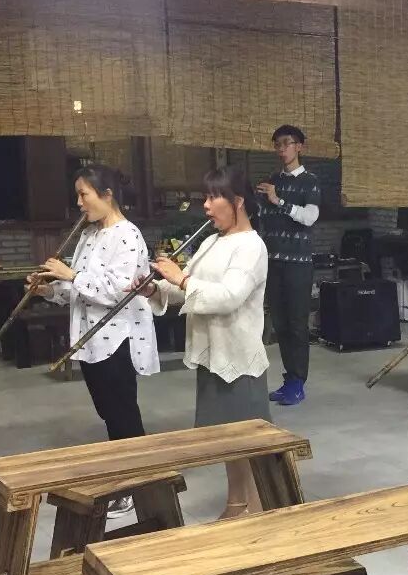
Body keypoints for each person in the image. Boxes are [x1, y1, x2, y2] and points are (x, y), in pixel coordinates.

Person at [142, 168, 270, 518]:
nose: (207, 206)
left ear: (238, 202)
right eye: (206, 197)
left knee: (250, 444)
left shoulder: (251, 246)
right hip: (213, 353)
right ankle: (237, 504)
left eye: (214, 198)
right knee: (228, 442)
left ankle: (259, 514)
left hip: (238, 357)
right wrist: (153, 288)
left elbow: (228, 296)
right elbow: (188, 287)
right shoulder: (212, 241)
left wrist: (181, 280)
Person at [30, 165, 157, 519]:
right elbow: (79, 289)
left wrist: (71, 274)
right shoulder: (89, 234)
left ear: (107, 195)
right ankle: (126, 479)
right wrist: (48, 290)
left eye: (84, 194)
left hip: (117, 337)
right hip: (89, 339)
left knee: (123, 413)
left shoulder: (127, 235)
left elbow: (117, 291)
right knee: (108, 412)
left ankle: (139, 486)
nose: (79, 202)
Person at [256, 124, 319, 407]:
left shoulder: (310, 181)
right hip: (273, 261)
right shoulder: (271, 180)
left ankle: (298, 381)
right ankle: (289, 378)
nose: (281, 149)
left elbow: (310, 217)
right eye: (277, 144)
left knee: (296, 323)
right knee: (280, 323)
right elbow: (262, 217)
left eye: (286, 143)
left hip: (298, 264)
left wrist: (278, 200)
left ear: (299, 147)